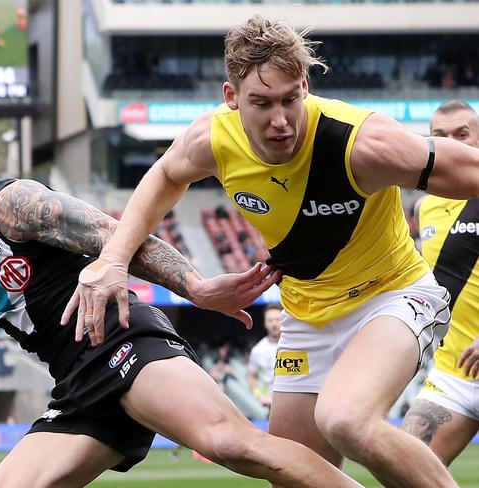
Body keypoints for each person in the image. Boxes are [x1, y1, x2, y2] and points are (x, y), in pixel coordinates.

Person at [66, 15, 479, 488]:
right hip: (307, 312)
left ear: (305, 85)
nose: (279, 121)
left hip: (391, 296)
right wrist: (113, 259)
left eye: (289, 100)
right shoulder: (215, 138)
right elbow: (164, 175)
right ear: (231, 98)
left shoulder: (362, 142)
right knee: (292, 473)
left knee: (345, 419)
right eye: (261, 104)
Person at [0, 125, 361, 488]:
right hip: (77, 391)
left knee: (231, 444)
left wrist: (196, 287)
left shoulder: (11, 207)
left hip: (124, 344)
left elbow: (119, 235)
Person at [401, 100, 479, 466]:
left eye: (462, 135)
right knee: (404, 466)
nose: (451, 144)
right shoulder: (424, 206)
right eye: (440, 136)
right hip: (455, 373)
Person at [248, 304, 282, 410]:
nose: (274, 324)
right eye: (270, 320)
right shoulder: (258, 350)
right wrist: (259, 396)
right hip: (270, 406)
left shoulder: (296, 346)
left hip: (294, 403)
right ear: (265, 323)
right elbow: (252, 377)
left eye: (277, 319)